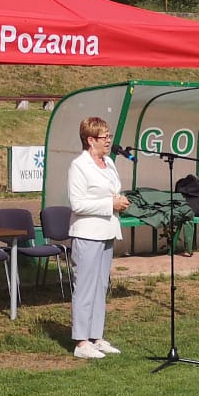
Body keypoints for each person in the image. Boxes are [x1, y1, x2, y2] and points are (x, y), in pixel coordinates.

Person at [66, 116, 129, 357]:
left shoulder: (109, 162)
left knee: (101, 286)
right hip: (87, 233)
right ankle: (81, 342)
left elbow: (110, 191)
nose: (109, 140)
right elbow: (77, 204)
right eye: (105, 137)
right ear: (90, 140)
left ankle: (96, 337)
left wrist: (120, 200)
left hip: (107, 231)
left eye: (109, 136)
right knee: (85, 286)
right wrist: (110, 203)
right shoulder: (78, 166)